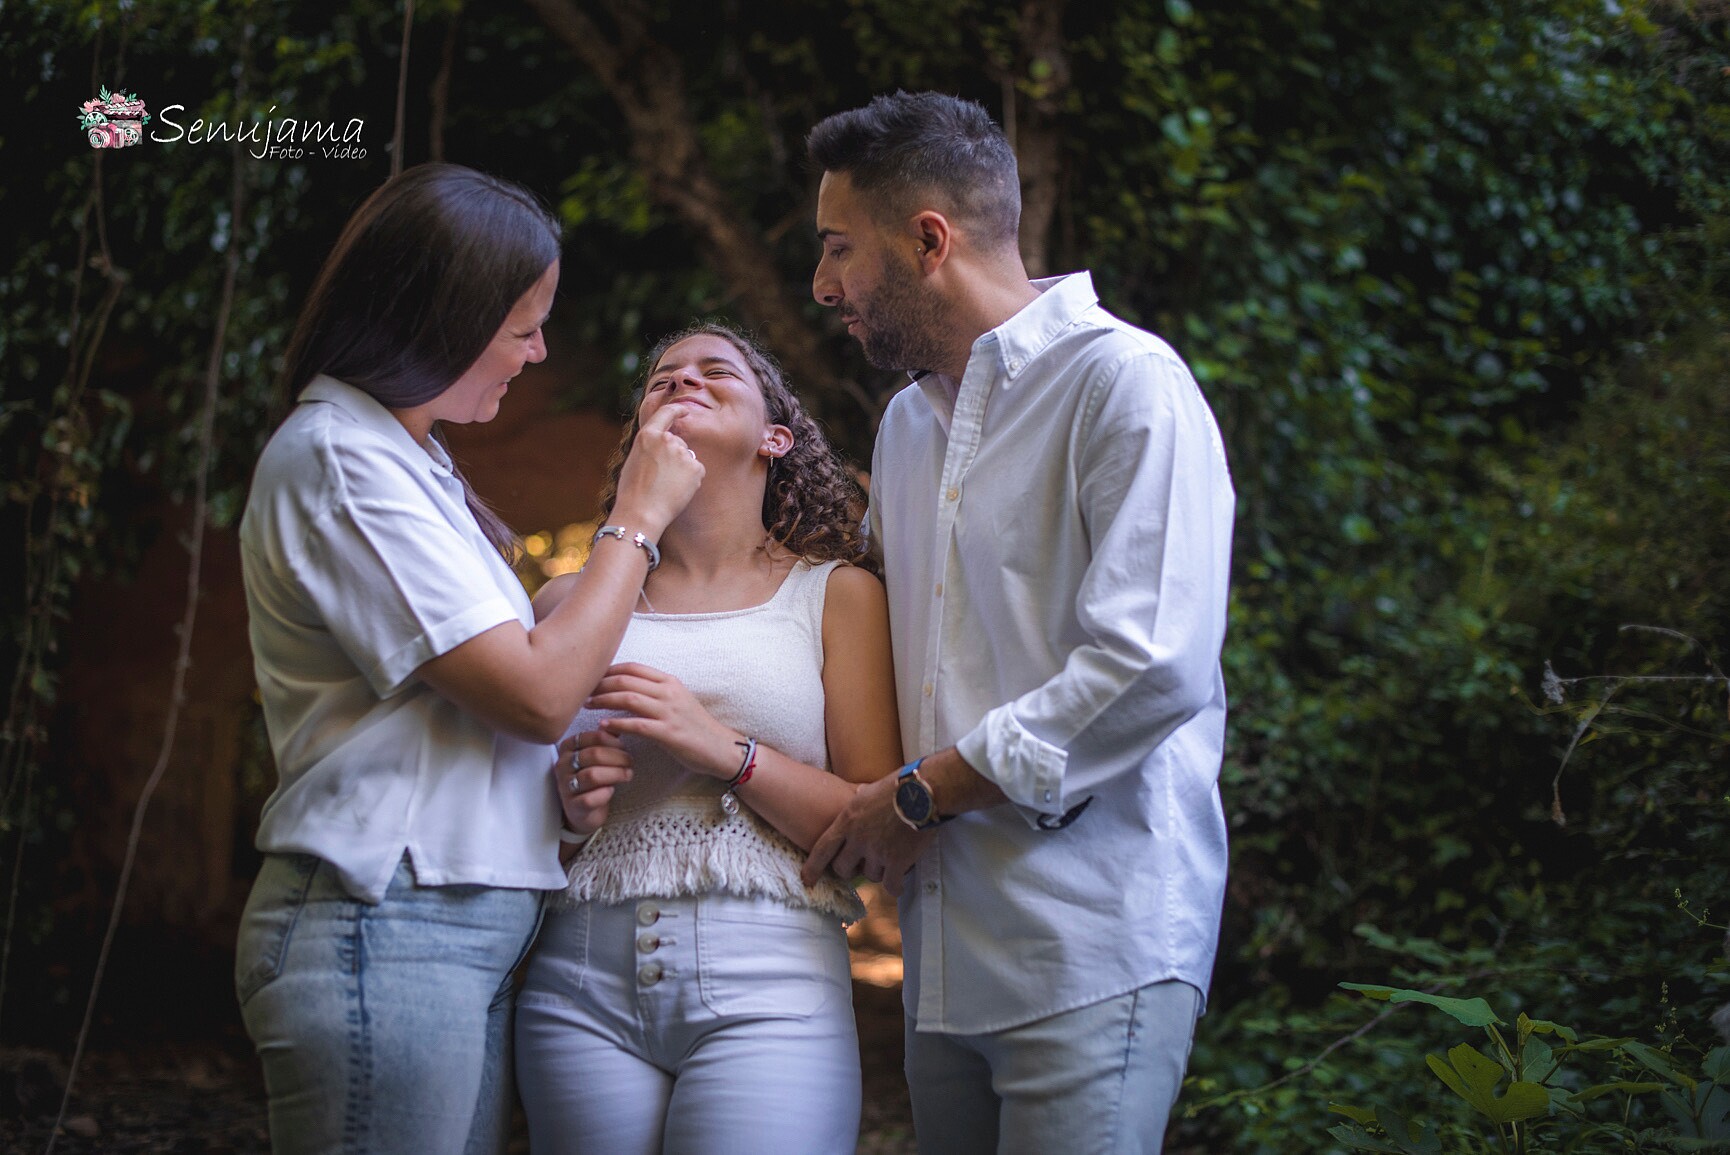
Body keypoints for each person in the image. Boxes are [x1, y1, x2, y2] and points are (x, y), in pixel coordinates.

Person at [234, 163, 703, 1155]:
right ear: (437, 318)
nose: (538, 353)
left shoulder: (414, 461)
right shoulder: (339, 458)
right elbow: (534, 693)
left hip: (453, 927)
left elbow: (508, 666)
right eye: (522, 326)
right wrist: (638, 518)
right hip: (386, 920)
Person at [800, 92, 1236, 1153]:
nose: (822, 287)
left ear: (928, 241)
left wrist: (917, 793)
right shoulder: (907, 425)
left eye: (837, 250)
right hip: (944, 960)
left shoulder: (1124, 385)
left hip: (1094, 938)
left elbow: (1149, 667)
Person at [514, 322, 901, 1155]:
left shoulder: (836, 596)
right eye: (662, 379)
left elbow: (875, 824)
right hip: (575, 981)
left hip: (771, 985)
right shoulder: (565, 602)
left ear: (775, 437)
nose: (682, 381)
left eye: (715, 371)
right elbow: (519, 815)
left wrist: (725, 749)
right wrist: (569, 805)